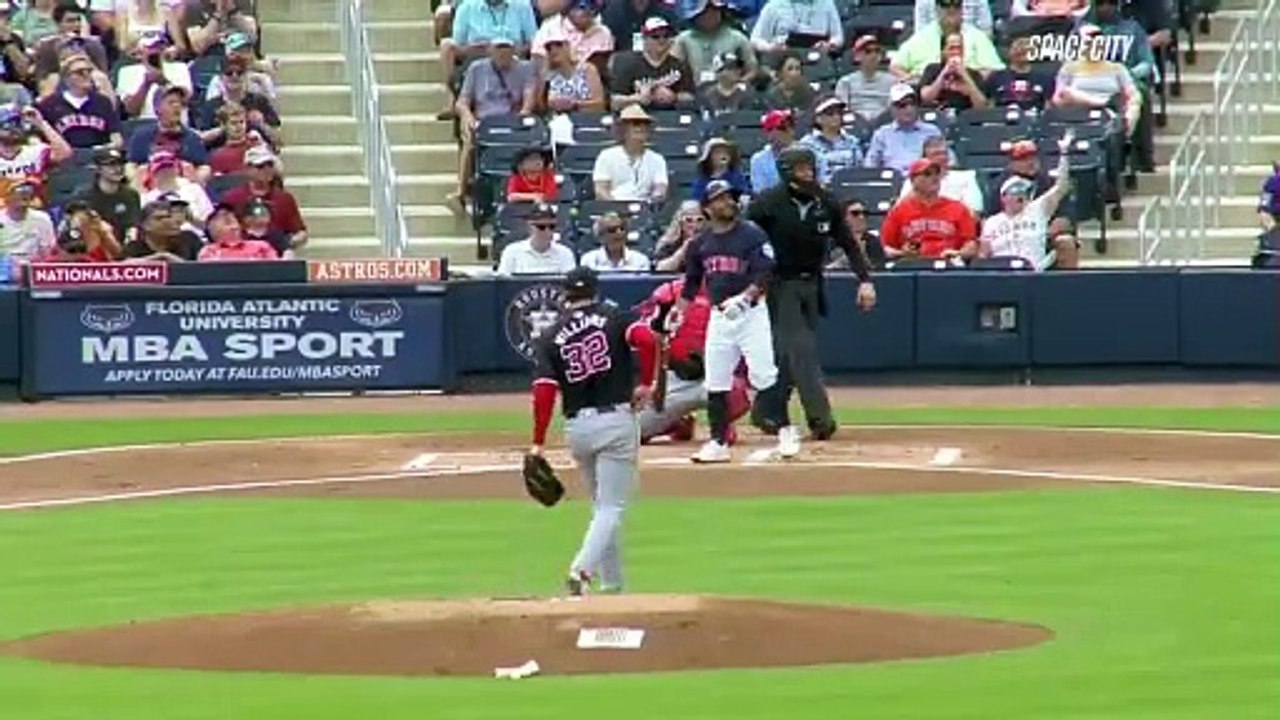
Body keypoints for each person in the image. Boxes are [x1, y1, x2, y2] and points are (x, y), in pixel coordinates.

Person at [528, 265, 660, 595]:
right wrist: (647, 383)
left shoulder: (549, 335)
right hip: (615, 421)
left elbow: (544, 390)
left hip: (577, 427)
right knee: (611, 507)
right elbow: (647, 339)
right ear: (595, 290)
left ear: (565, 295)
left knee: (602, 506)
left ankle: (613, 585)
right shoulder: (614, 317)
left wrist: (538, 443)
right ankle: (582, 570)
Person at [746, 147, 875, 439]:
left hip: (813, 283)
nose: (808, 175)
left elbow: (848, 242)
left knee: (787, 353)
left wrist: (865, 279)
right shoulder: (768, 204)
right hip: (780, 283)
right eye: (801, 170)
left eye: (810, 169)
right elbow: (746, 241)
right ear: (787, 172)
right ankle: (820, 419)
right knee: (801, 349)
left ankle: (768, 410)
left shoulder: (825, 202)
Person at [669, 179, 798, 463]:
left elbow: (766, 273)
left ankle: (786, 430)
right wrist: (679, 312)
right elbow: (691, 284)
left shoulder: (751, 234)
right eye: (720, 199)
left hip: (751, 313)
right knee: (715, 379)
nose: (728, 202)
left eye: (730, 198)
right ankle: (718, 441)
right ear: (707, 207)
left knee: (763, 374)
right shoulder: (700, 243)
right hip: (720, 316)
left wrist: (745, 297)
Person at [633, 276, 754, 444]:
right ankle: (677, 423)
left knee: (738, 395)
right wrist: (654, 378)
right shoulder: (669, 292)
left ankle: (721, 424)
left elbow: (747, 342)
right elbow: (645, 335)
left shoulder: (734, 294)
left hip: (715, 375)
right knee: (634, 431)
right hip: (673, 378)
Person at [451, 36, 537, 212]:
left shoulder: (526, 68)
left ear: (514, 50)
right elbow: (462, 101)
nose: (503, 52)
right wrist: (467, 116)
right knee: (470, 140)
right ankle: (460, 191)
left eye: (507, 48)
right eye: (499, 48)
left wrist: (525, 111)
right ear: (490, 50)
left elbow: (529, 94)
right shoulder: (477, 69)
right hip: (484, 120)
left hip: (512, 120)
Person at [979, 130, 1078, 270]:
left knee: (1066, 242)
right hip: (1008, 237)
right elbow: (987, 219)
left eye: (1033, 157)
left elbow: (1064, 203)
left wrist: (1048, 229)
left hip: (1043, 234)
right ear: (1012, 163)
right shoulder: (1000, 186)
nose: (1030, 162)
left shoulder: (1048, 182)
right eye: (1023, 158)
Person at [438, 0, 538, 119]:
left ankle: (527, 110)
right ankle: (452, 100)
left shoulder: (522, 5)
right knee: (446, 45)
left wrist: (512, 50)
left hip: (513, 57)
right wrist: (478, 49)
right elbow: (458, 45)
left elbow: (534, 41)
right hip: (477, 57)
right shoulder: (466, 7)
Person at [879, 157, 978, 261]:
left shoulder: (958, 208)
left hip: (949, 267)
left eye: (937, 174)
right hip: (912, 266)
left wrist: (959, 254)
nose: (934, 178)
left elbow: (971, 245)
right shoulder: (898, 211)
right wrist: (902, 253)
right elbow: (885, 248)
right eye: (927, 174)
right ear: (913, 181)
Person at [1051, 24, 1141, 138]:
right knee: (1067, 91)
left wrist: (1130, 110)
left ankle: (1123, 134)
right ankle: (1103, 103)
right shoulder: (1069, 68)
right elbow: (1058, 97)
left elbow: (1132, 93)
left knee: (1136, 99)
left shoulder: (1117, 68)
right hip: (1078, 112)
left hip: (1111, 114)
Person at [890, 0, 1003, 82]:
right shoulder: (922, 36)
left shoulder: (977, 36)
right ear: (937, 9)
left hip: (967, 94)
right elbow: (895, 66)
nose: (951, 9)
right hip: (927, 94)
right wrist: (913, 81)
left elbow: (995, 69)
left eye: (956, 4)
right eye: (945, 4)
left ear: (962, 9)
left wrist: (973, 80)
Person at [36, 53, 123, 150]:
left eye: (89, 71)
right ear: (66, 78)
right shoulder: (50, 104)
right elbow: (37, 139)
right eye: (80, 72)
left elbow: (116, 138)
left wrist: (104, 148)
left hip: (98, 156)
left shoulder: (102, 102)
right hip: (65, 159)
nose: (86, 75)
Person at [608, 16, 695, 111]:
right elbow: (614, 102)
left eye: (666, 36)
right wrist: (638, 98)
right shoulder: (626, 62)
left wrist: (674, 97)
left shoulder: (679, 65)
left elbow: (691, 98)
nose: (662, 40)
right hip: (634, 117)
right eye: (655, 37)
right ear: (644, 39)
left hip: (671, 117)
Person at [591, 104, 669, 202]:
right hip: (612, 209)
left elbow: (660, 188)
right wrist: (617, 207)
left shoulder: (657, 159)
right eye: (635, 123)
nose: (641, 127)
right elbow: (600, 190)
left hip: (645, 209)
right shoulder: (606, 156)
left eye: (645, 124)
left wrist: (654, 199)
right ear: (623, 128)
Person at [862, 84, 941, 175]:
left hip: (924, 180)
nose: (908, 108)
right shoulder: (882, 135)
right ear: (892, 109)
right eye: (902, 105)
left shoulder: (932, 131)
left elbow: (947, 160)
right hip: (892, 183)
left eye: (912, 103)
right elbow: (870, 166)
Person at [673, 0, 757, 85]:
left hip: (731, 92)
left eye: (714, 11)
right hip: (695, 92)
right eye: (705, 13)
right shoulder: (683, 40)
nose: (710, 15)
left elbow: (752, 70)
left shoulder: (738, 38)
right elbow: (672, 69)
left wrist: (738, 85)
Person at [897, 135, 984, 215]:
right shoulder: (913, 181)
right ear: (925, 158)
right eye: (936, 154)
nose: (942, 157)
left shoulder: (966, 177)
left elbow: (974, 211)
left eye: (944, 153)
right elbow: (899, 211)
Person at [749, 109, 827, 193]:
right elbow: (760, 191)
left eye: (788, 127)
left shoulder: (814, 154)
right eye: (771, 129)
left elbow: (822, 184)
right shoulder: (758, 160)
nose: (787, 130)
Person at [76, 146, 141, 244]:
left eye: (121, 164)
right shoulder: (84, 196)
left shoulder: (131, 195)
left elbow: (132, 225)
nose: (118, 169)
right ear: (98, 169)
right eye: (111, 165)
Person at [496, 202, 578, 274]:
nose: (547, 231)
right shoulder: (512, 252)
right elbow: (503, 285)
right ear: (529, 228)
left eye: (551, 227)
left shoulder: (565, 254)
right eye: (541, 227)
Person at [918, 31, 989, 112]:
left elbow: (981, 106)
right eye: (951, 48)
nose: (956, 52)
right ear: (943, 51)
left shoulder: (974, 74)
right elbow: (926, 98)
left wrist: (965, 76)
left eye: (959, 48)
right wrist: (944, 73)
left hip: (964, 118)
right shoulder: (932, 69)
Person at [538, 30, 607, 114]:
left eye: (558, 45)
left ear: (568, 46)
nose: (553, 50)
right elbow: (540, 107)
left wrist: (574, 105)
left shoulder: (587, 69)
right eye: (548, 48)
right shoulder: (548, 76)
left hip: (588, 119)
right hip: (558, 121)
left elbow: (600, 104)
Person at [531, 0, 615, 69]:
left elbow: (600, 72)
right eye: (581, 7)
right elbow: (537, 65)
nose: (587, 10)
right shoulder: (550, 28)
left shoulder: (603, 33)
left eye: (592, 6)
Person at [983, 34, 1057, 111]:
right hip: (1002, 119)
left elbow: (1048, 109)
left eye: (1026, 46)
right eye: (1017, 47)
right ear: (1009, 52)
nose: (1021, 50)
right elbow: (988, 106)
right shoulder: (995, 77)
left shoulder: (1045, 78)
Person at [800, 96, 862, 184]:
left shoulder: (852, 142)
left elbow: (859, 171)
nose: (836, 116)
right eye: (830, 113)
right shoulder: (806, 144)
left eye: (839, 113)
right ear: (818, 118)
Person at [749, 0, 843, 58]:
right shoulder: (773, 5)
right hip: (783, 57)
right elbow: (755, 40)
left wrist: (829, 44)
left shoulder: (827, 3)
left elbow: (838, 36)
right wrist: (770, 48)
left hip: (819, 56)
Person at [834, 35, 895, 122]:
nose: (873, 55)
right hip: (855, 124)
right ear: (857, 56)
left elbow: (894, 109)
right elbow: (842, 110)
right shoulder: (845, 82)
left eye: (877, 51)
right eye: (868, 51)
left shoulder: (892, 81)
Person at [140, 150, 214, 222]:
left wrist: (189, 217)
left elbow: (208, 220)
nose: (166, 173)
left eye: (169, 168)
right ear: (153, 174)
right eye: (161, 170)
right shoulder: (146, 198)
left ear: (176, 169)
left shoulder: (194, 190)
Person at [120, 200, 203, 262]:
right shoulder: (134, 248)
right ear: (145, 225)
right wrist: (158, 257)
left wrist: (171, 259)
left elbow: (205, 268)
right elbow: (121, 267)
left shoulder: (190, 240)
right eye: (160, 218)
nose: (169, 221)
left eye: (170, 217)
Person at [197, 203, 277, 262]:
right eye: (219, 217)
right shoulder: (209, 251)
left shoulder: (262, 246)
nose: (226, 215)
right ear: (212, 230)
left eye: (232, 217)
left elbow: (276, 271)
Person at [0, 177, 56, 260]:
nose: (25, 193)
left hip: (34, 268)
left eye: (29, 189)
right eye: (20, 190)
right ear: (7, 196)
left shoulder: (42, 219)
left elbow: (48, 254)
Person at [579, 212, 651, 272]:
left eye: (622, 229)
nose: (619, 233)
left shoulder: (641, 260)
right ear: (601, 237)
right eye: (612, 230)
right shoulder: (588, 260)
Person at [827, 197, 886, 270]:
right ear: (843, 217)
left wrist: (862, 256)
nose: (861, 217)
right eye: (855, 213)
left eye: (864, 213)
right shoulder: (829, 240)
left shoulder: (873, 241)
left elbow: (879, 270)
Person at [692, 136, 749, 203]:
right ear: (709, 158)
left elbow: (743, 195)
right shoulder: (701, 180)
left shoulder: (737, 176)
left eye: (726, 152)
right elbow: (698, 200)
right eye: (717, 152)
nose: (723, 155)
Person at [652, 199, 703, 272]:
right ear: (680, 222)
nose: (695, 225)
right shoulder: (668, 244)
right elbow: (660, 269)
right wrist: (684, 249)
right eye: (689, 220)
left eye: (699, 220)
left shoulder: (710, 243)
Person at [696, 49, 752, 113]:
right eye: (730, 68)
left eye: (737, 68)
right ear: (718, 72)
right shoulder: (706, 92)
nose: (737, 71)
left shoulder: (747, 91)